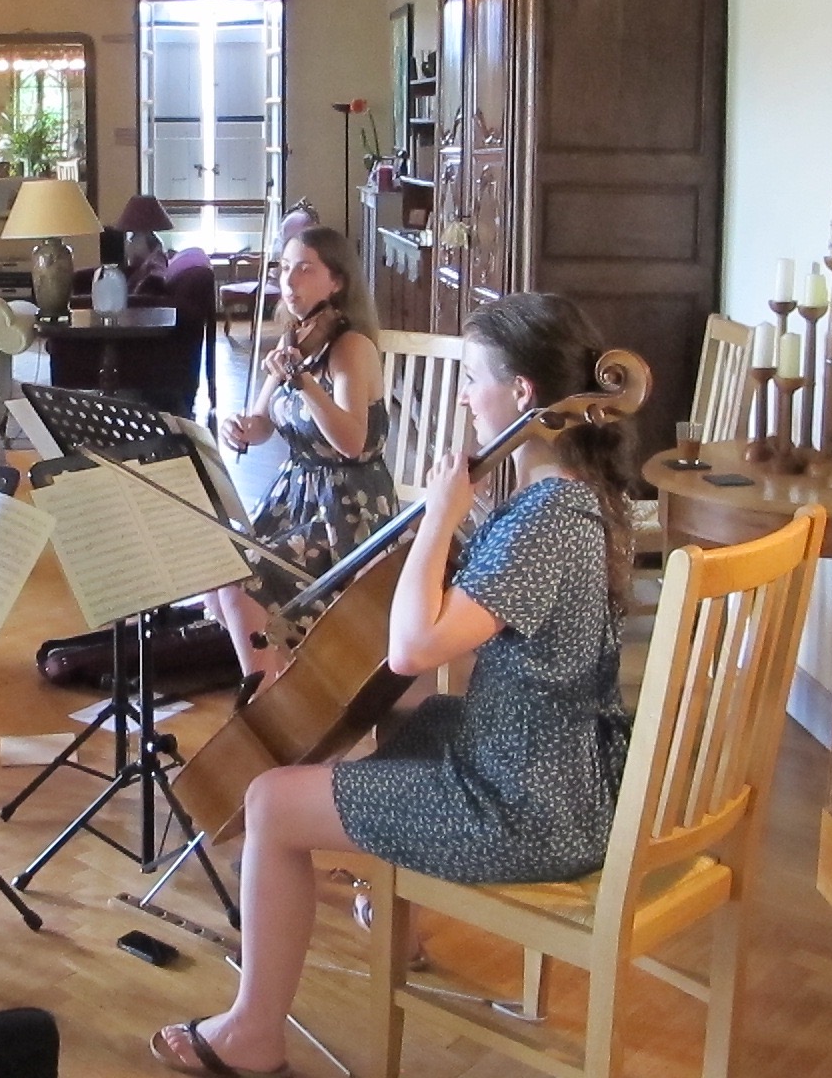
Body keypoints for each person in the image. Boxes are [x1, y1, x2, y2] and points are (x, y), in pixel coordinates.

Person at [151, 292, 636, 1076]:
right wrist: (444, 529)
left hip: (528, 806)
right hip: (573, 770)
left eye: (474, 379)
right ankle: (400, 924)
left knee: (272, 801)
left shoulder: (545, 521)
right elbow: (434, 635)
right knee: (403, 708)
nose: (465, 399)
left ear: (523, 397)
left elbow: (413, 644)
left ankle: (252, 1033)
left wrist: (441, 514)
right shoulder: (579, 501)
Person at [211, 225, 395, 679]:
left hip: (347, 512)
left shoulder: (351, 348)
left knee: (241, 583)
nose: (288, 282)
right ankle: (281, 684)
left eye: (304, 270)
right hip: (295, 499)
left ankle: (265, 708)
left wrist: (305, 382)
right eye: (284, 268)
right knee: (215, 571)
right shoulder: (294, 341)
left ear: (337, 281)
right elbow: (261, 423)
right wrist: (240, 428)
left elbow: (352, 442)